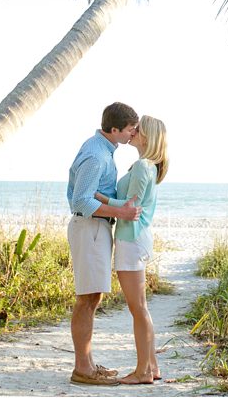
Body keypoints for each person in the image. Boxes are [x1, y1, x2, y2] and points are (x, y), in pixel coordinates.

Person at [66, 102, 142, 386]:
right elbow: (82, 201)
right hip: (89, 228)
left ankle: (87, 363)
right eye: (130, 129)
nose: (133, 133)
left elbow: (95, 192)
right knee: (87, 298)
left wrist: (121, 205)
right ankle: (82, 369)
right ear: (114, 130)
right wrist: (121, 212)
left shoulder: (102, 150)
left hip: (95, 229)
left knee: (92, 297)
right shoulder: (97, 155)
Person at [94, 115, 169, 385]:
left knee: (137, 308)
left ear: (146, 136)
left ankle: (143, 372)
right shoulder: (148, 166)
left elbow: (130, 207)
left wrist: (100, 197)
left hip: (131, 237)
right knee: (141, 307)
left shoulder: (141, 166)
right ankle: (152, 366)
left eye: (138, 129)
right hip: (136, 238)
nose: (133, 131)